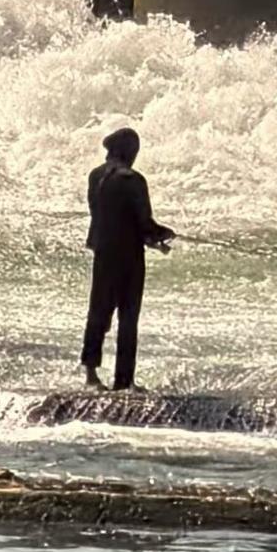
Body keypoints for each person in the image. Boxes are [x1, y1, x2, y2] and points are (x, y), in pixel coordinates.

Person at [80, 127, 175, 391]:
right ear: (129, 152)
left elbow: (107, 218)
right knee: (128, 317)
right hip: (129, 259)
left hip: (103, 252)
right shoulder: (133, 180)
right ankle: (124, 381)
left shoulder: (95, 176)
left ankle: (91, 376)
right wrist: (163, 234)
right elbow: (144, 223)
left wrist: (150, 238)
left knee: (98, 311)